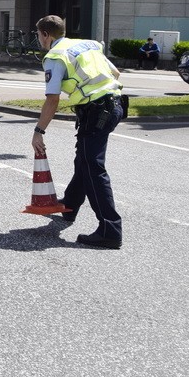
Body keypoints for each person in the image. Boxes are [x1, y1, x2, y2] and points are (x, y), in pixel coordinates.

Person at [32, 15, 124, 249]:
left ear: (45, 35)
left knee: (93, 168)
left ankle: (109, 229)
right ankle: (70, 206)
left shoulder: (55, 56)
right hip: (114, 105)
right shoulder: (87, 45)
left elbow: (52, 100)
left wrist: (39, 131)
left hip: (96, 112)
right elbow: (116, 73)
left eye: (38, 34)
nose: (38, 39)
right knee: (84, 160)